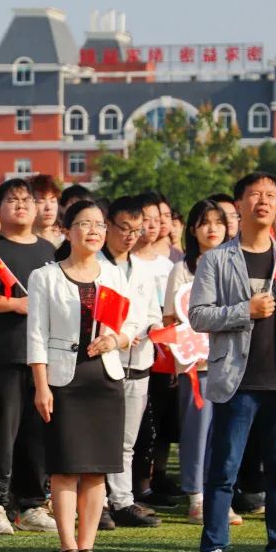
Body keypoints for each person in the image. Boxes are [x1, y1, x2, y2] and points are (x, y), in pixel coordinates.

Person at [190, 172, 276, 552]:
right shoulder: (216, 259)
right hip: (235, 381)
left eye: (270, 195)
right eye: (255, 194)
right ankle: (214, 550)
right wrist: (245, 310)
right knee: (224, 471)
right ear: (238, 206)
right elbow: (198, 315)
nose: (263, 201)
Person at [28, 200, 137, 552]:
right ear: (67, 230)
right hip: (63, 381)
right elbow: (36, 336)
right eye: (85, 224)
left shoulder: (114, 275)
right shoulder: (45, 277)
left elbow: (133, 322)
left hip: (105, 379)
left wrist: (117, 339)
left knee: (96, 472)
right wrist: (41, 386)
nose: (94, 231)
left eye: (100, 225)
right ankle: (68, 548)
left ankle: (88, 547)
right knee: (65, 469)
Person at [0, 178, 56, 536]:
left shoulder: (48, 250)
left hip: (41, 358)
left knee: (37, 433)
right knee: (0, 433)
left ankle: (33, 504)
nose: (21, 205)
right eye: (12, 200)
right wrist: (14, 304)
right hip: (3, 355)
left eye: (27, 199)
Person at [163, 200, 234, 525]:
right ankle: (196, 497)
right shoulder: (181, 269)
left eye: (218, 222)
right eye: (205, 222)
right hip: (196, 366)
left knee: (226, 432)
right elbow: (170, 318)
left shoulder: (235, 265)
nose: (212, 228)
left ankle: (220, 496)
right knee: (196, 432)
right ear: (193, 230)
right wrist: (185, 352)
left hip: (230, 364)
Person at [99, 196, 163, 529]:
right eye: (124, 228)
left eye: (136, 230)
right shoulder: (95, 265)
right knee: (99, 434)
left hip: (138, 360)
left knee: (127, 439)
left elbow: (153, 312)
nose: (130, 236)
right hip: (102, 361)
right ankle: (98, 502)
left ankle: (122, 501)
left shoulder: (143, 268)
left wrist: (144, 329)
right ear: (108, 225)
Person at [131, 193, 178, 507]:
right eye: (144, 218)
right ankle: (129, 487)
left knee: (157, 423)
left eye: (157, 218)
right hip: (133, 350)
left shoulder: (168, 265)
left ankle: (151, 481)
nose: (151, 225)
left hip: (164, 352)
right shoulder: (124, 262)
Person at [30, 175, 63, 247]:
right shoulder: (19, 244)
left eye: (53, 201)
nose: (49, 207)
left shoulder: (66, 244)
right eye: (41, 201)